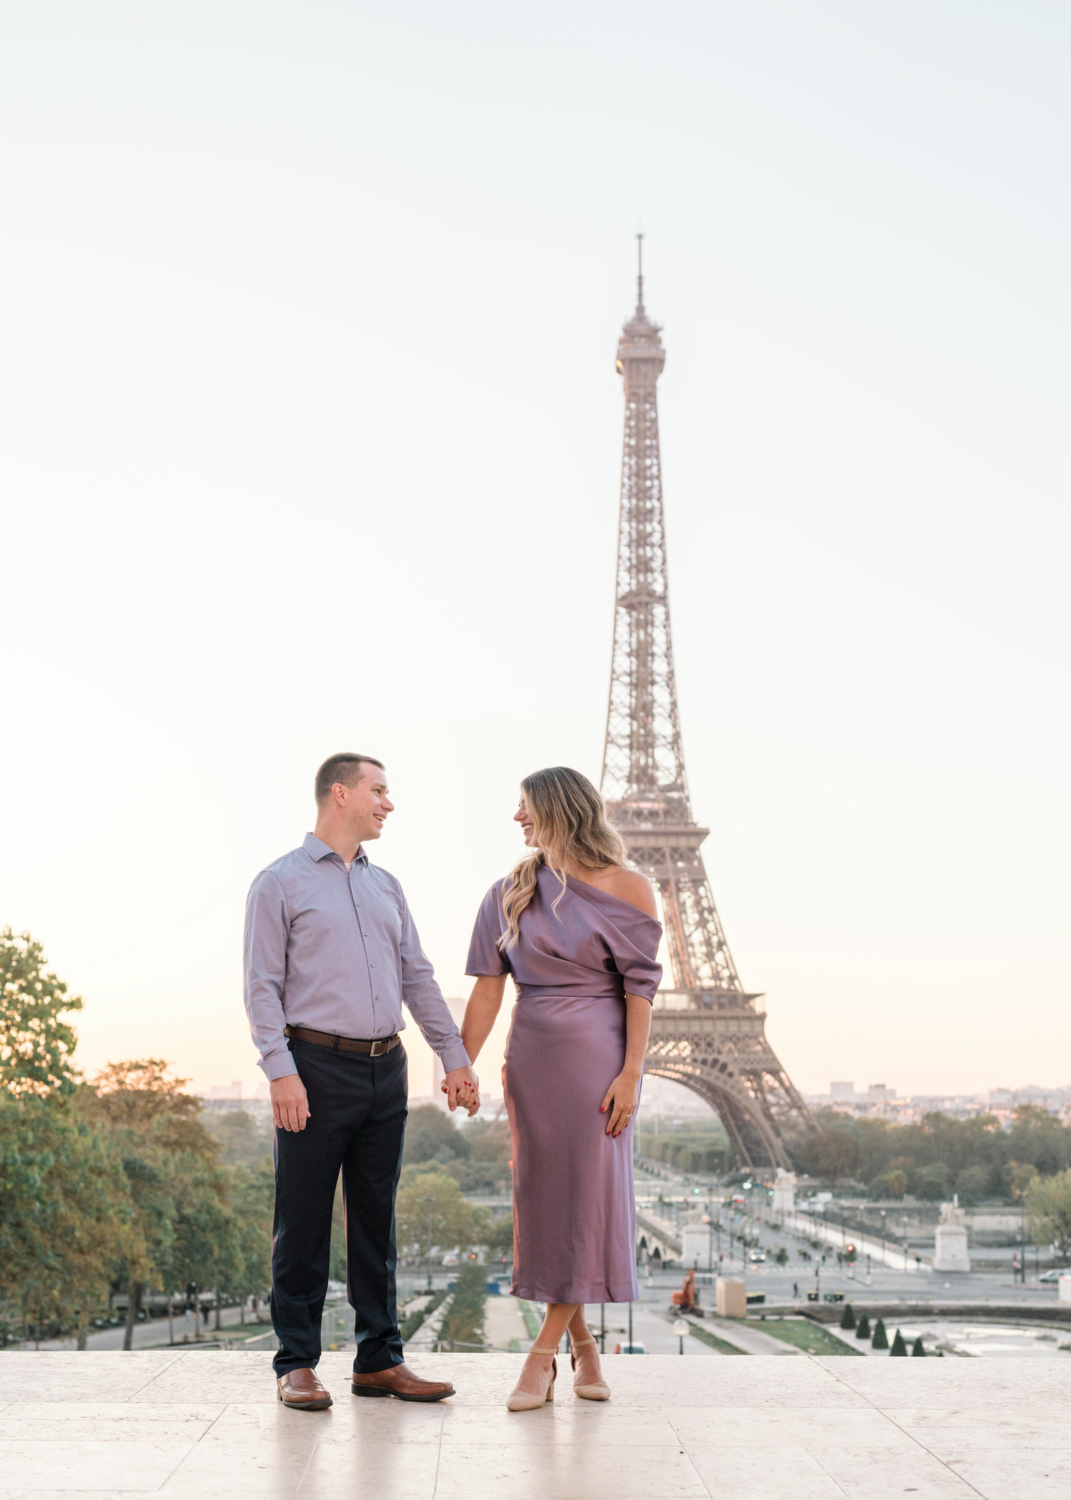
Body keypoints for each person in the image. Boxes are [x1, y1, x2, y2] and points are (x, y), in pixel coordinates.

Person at [243, 752, 480, 1410]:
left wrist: (453, 1056)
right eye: (379, 790)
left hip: (387, 1067)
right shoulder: (278, 883)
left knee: (377, 1223)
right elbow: (261, 987)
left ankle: (380, 1359)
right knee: (303, 1220)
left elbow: (418, 979)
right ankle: (296, 1363)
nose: (388, 802)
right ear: (340, 794)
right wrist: (279, 1070)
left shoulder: (387, 887)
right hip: (313, 1068)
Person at [460, 766, 661, 1411]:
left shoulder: (630, 887)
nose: (516, 819)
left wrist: (631, 1073)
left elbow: (640, 990)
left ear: (557, 811)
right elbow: (489, 987)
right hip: (533, 1062)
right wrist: (462, 1062)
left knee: (583, 1203)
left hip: (597, 1064)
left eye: (524, 808)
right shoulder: (509, 890)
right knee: (546, 1205)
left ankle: (542, 1356)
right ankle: (586, 1353)